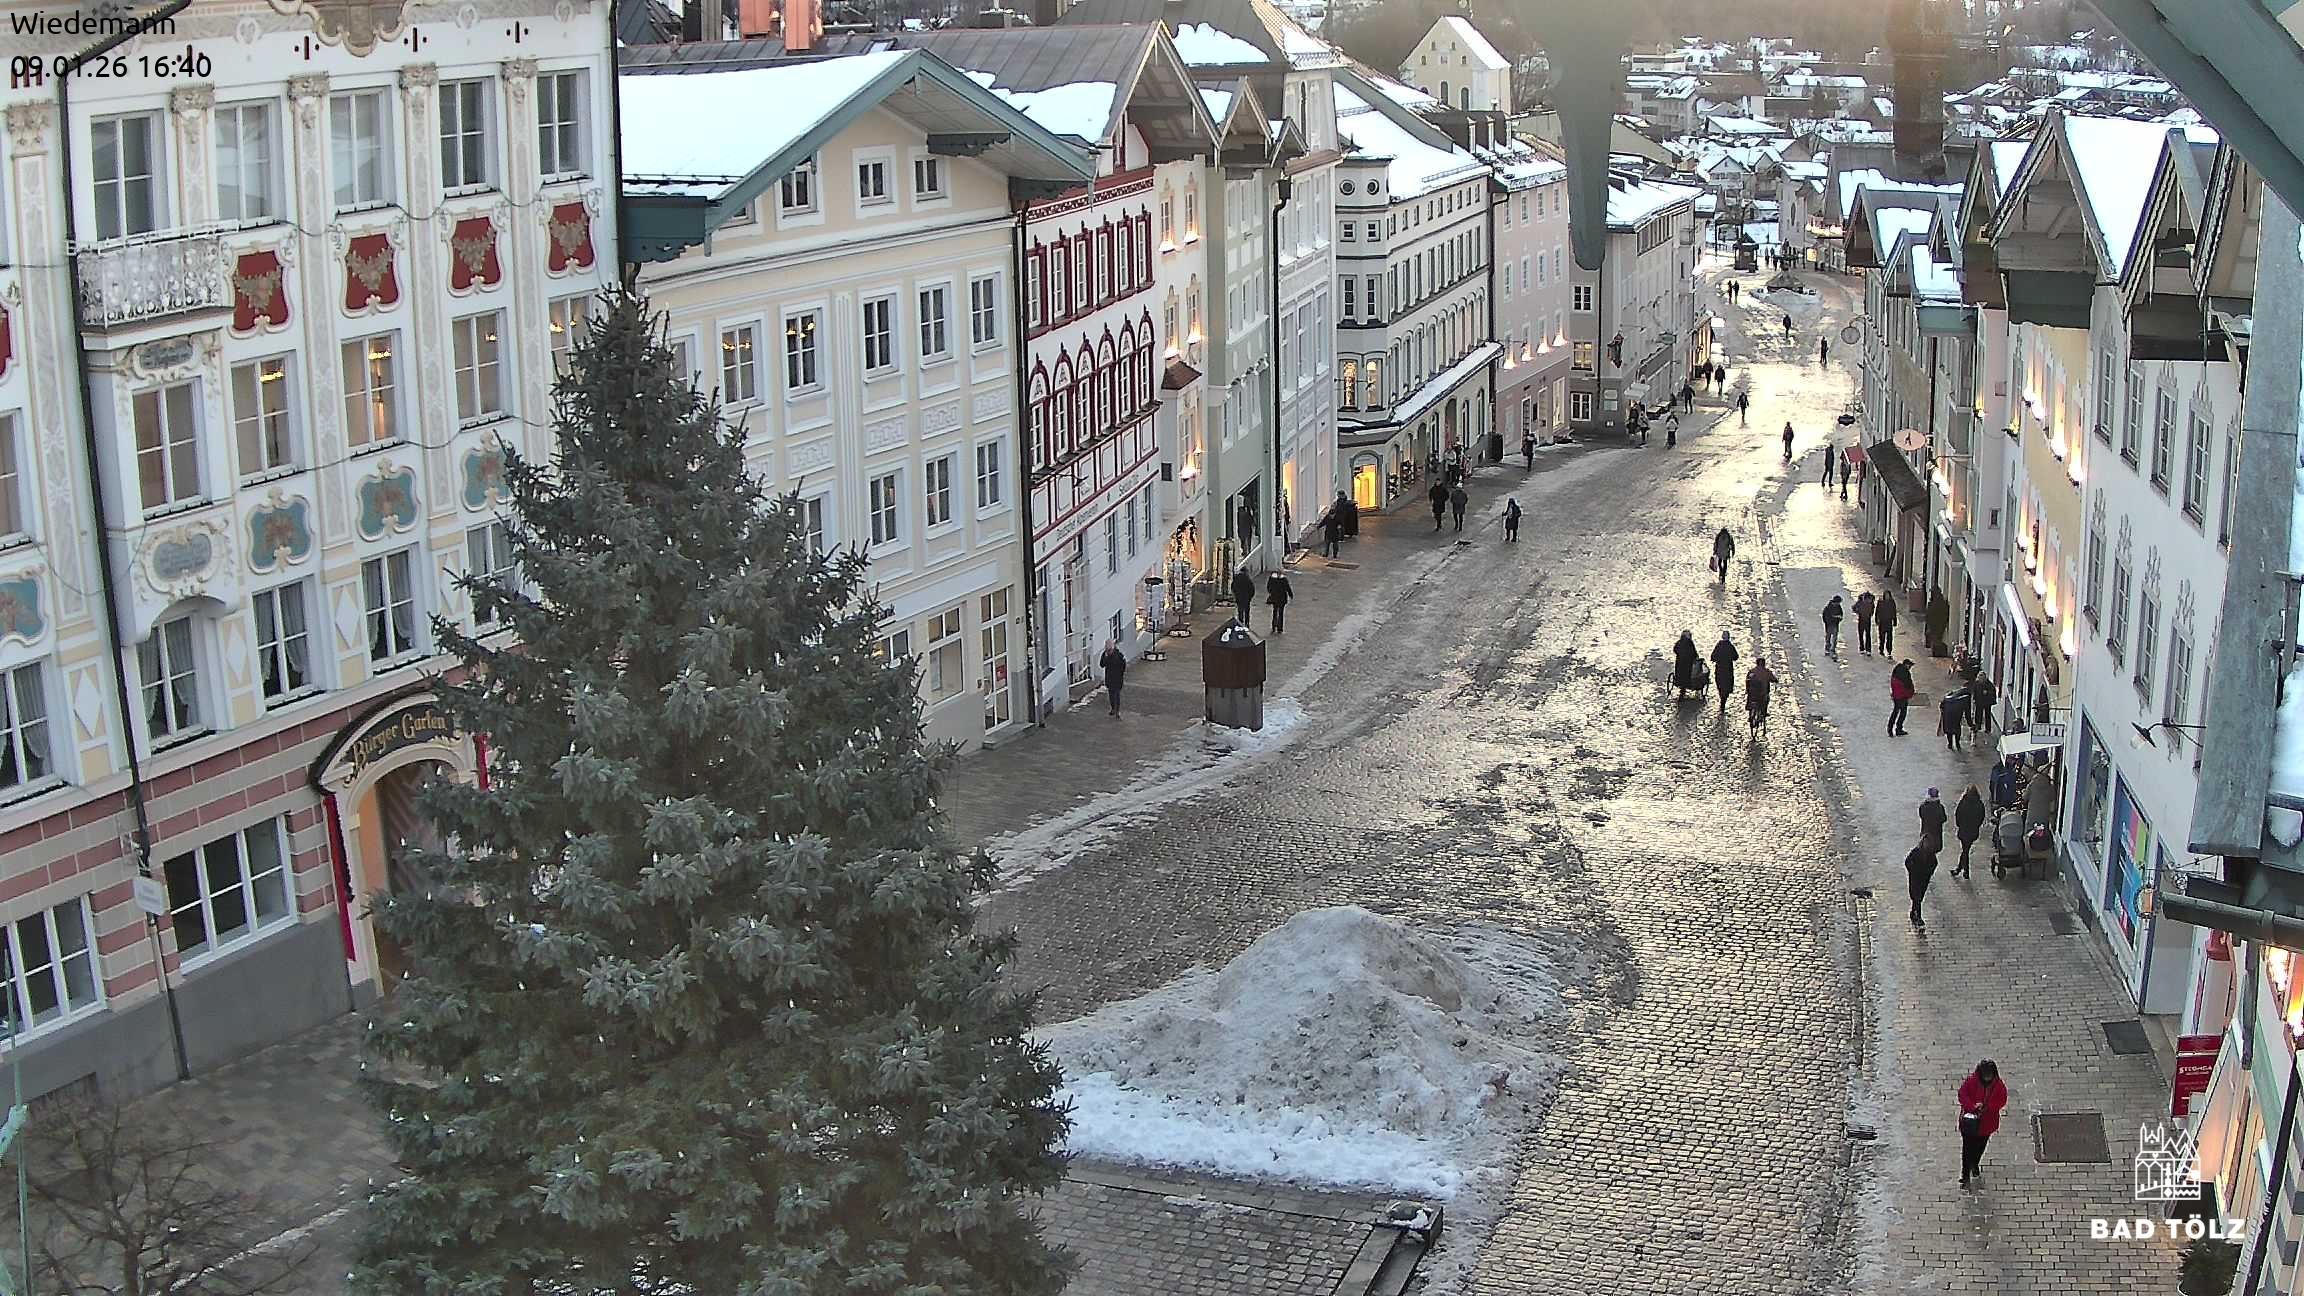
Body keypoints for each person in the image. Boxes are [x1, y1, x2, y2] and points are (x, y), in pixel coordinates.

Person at [1957, 1061, 2010, 1187]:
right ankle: (1965, 1175)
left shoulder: (1998, 1086)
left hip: (1987, 1123)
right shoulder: (1971, 1081)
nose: (1987, 1077)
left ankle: (1974, 1163)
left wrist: (1986, 1107)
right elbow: (1962, 1095)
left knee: (1980, 1147)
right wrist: (1972, 1107)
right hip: (1970, 1121)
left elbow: (2001, 1101)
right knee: (1967, 1148)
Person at [1953, 784, 1988, 877]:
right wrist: (1976, 826)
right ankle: (1959, 869)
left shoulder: (1963, 802)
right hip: (1973, 831)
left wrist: (1959, 825)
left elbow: (1958, 815)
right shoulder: (1979, 804)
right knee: (1966, 850)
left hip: (1964, 830)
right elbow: (1982, 817)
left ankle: (1965, 871)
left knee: (1965, 850)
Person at [1906, 841, 1938, 927]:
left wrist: (1929, 872)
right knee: (1917, 897)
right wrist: (1912, 870)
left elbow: (1934, 864)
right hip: (1915, 878)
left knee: (1919, 897)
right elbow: (1907, 862)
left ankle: (1913, 911)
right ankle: (1919, 917)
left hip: (1924, 879)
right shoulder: (1916, 852)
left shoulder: (1931, 854)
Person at [1710, 633, 1740, 711]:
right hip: (1728, 669)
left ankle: (1722, 697)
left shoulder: (1718, 646)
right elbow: (1736, 657)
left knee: (1719, 683)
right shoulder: (1730, 646)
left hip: (1719, 668)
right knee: (1727, 684)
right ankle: (1724, 699)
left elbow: (1713, 656)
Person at [1744, 658, 1777, 728]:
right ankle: (1764, 712)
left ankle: (1750, 714)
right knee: (1765, 701)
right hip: (1763, 692)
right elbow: (1774, 679)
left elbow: (1748, 680)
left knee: (1750, 699)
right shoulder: (1767, 672)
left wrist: (1747, 689)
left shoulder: (1752, 671)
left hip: (1752, 692)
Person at [1099, 640, 1127, 717]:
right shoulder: (1105, 655)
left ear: (1113, 648)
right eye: (1107, 650)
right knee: (1111, 694)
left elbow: (1123, 665)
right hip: (1109, 678)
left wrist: (1121, 674)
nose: (1108, 651)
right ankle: (1113, 708)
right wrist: (1105, 657)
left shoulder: (1119, 655)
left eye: (1110, 650)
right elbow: (1102, 664)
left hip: (1117, 678)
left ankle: (1117, 710)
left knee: (1117, 694)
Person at [1888, 659, 1916, 735]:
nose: (1910, 667)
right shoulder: (1905, 673)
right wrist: (1911, 693)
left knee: (1895, 712)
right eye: (1910, 666)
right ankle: (1898, 729)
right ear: (1907, 665)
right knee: (1903, 713)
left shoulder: (1897, 669)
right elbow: (1908, 685)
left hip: (1896, 695)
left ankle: (1890, 729)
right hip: (1902, 696)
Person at [1674, 630, 1704, 695]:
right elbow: (1693, 652)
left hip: (1679, 662)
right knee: (1687, 674)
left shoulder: (1679, 642)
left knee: (1680, 673)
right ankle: (1686, 685)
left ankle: (1681, 685)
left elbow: (1675, 649)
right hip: (1688, 663)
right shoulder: (1689, 643)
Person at [1919, 787, 1948, 854]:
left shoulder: (1923, 806)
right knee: (1934, 851)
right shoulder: (1940, 807)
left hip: (1925, 833)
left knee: (1925, 850)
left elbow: (1921, 816)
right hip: (1936, 834)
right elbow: (1944, 819)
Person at [1940, 687, 1969, 751]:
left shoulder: (1948, 696)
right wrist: (1970, 723)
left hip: (1947, 716)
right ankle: (1957, 744)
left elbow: (1941, 706)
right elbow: (1967, 713)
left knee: (1948, 730)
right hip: (1956, 717)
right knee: (1957, 730)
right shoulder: (1965, 699)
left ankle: (1950, 744)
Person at [1265, 569, 1293, 635]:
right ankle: (1280, 628)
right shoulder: (1284, 579)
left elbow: (1268, 587)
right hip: (1282, 598)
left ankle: (1273, 627)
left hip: (1274, 598)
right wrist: (1290, 595)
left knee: (1274, 612)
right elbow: (1288, 588)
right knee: (1281, 613)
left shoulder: (1272, 579)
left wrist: (1272, 593)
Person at [1876, 592, 1900, 656]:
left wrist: (1895, 621)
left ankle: (1889, 651)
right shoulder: (1880, 602)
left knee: (1889, 638)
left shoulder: (1892, 602)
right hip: (1882, 622)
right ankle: (1881, 649)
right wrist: (1877, 620)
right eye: (1886, 595)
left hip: (1889, 622)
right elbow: (1877, 611)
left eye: (1888, 595)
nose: (1887, 597)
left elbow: (1894, 612)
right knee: (1882, 638)